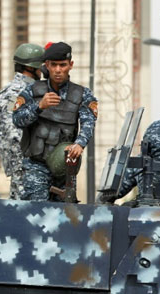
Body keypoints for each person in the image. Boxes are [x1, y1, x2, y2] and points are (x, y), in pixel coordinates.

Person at [12, 42, 98, 201]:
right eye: (54, 65)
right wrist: (38, 106)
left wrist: (80, 143)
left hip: (64, 169)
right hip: (36, 166)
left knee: (65, 217)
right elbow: (17, 119)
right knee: (36, 214)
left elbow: (89, 122)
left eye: (63, 65)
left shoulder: (82, 94)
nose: (58, 70)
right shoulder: (32, 91)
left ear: (71, 65)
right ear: (47, 65)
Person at [0, 43, 44, 199]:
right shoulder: (15, 93)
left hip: (30, 170)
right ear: (32, 68)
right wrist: (23, 169)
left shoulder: (31, 90)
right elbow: (14, 132)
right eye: (41, 66)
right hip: (26, 171)